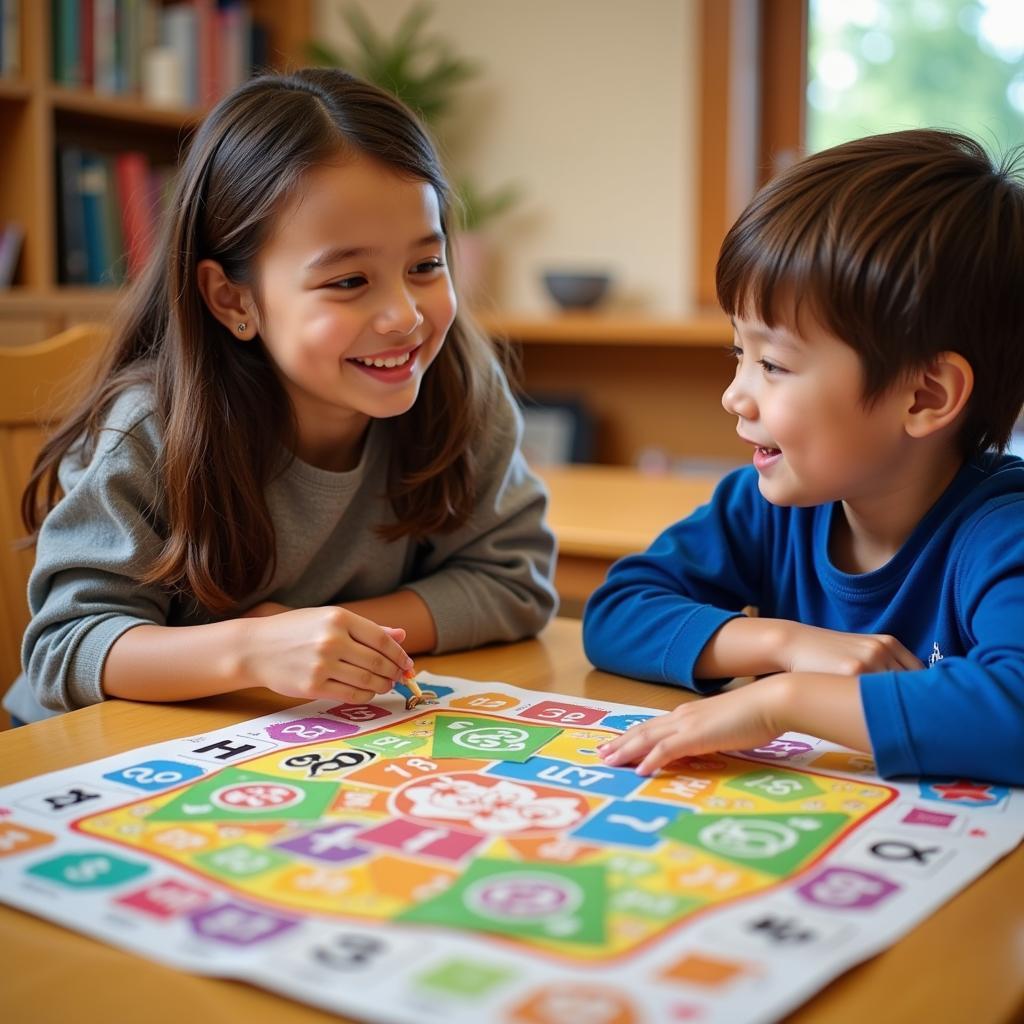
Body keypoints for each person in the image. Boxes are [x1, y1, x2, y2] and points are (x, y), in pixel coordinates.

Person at [6, 69, 557, 726]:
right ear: (233, 299)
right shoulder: (148, 429)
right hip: (88, 755)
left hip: (291, 740)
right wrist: (252, 649)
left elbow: (514, 581)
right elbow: (65, 647)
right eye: (350, 280)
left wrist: (321, 638)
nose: (405, 317)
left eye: (425, 266)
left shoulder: (458, 382)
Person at [584, 129, 1024, 785]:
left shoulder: (1002, 532)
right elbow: (617, 612)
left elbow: (1013, 714)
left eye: (773, 364)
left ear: (925, 395)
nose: (735, 395)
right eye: (739, 353)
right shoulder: (763, 505)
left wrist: (782, 701)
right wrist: (788, 644)